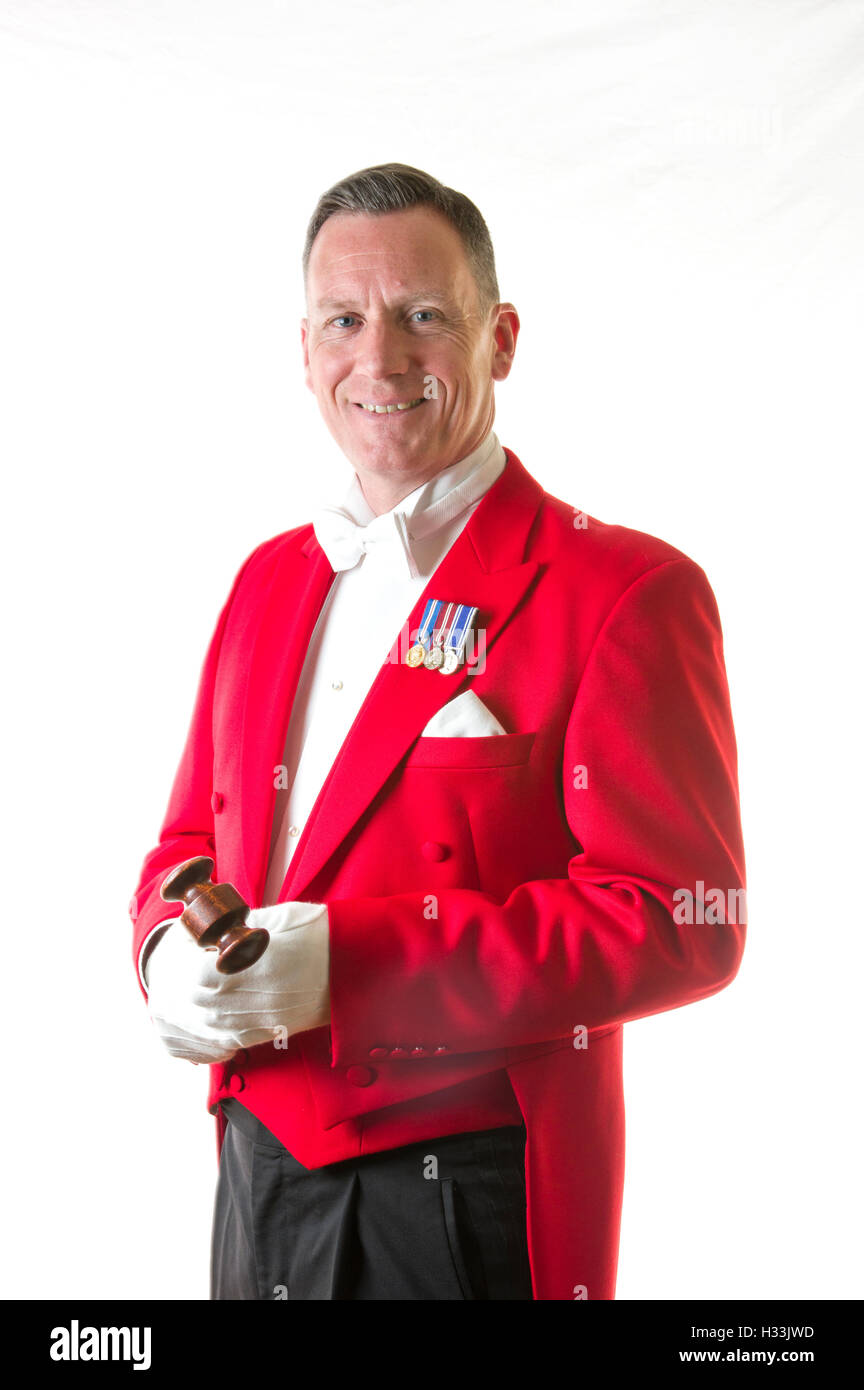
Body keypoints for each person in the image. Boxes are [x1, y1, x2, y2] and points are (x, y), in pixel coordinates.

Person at [129, 162, 747, 1301]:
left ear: (500, 339)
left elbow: (681, 919)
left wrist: (352, 968)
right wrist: (166, 953)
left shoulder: (625, 589)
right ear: (304, 348)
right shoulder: (265, 580)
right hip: (253, 1168)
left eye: (425, 316)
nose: (381, 359)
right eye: (345, 321)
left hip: (460, 1189)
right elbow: (184, 852)